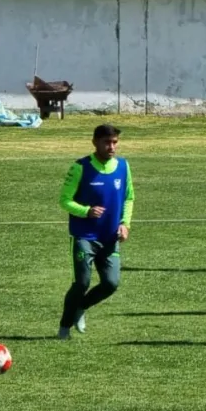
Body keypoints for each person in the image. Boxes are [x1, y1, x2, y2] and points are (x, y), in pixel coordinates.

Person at [57, 124, 135, 340]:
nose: (112, 147)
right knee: (82, 283)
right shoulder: (80, 167)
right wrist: (86, 211)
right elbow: (64, 200)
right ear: (95, 142)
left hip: (110, 237)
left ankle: (80, 307)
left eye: (115, 142)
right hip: (84, 237)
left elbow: (128, 197)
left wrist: (125, 224)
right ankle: (64, 328)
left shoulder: (123, 166)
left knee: (111, 283)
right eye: (107, 142)